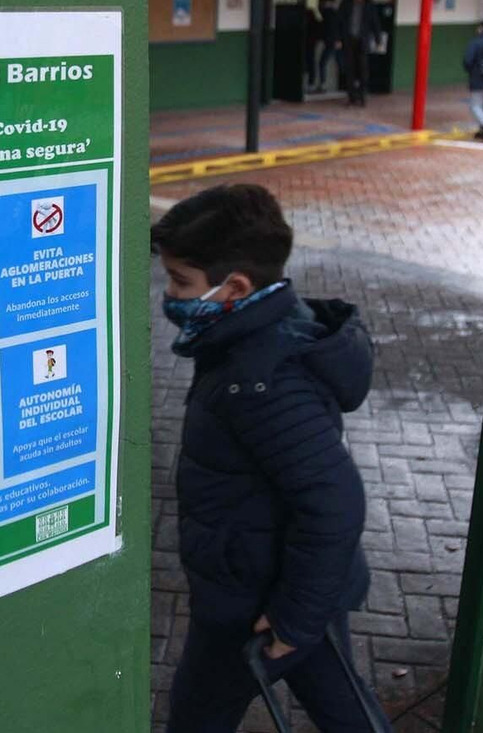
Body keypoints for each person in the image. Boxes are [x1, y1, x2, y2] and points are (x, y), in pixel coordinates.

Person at [151, 184, 386, 733]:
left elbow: (335, 501)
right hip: (279, 587)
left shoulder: (259, 380)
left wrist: (293, 618)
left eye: (181, 282)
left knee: (196, 716)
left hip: (253, 603)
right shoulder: (255, 335)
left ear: (235, 287)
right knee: (341, 705)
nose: (169, 293)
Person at [342, 0, 383, 106]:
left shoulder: (370, 4)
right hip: (349, 39)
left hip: (363, 40)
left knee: (363, 69)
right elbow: (340, 21)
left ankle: (362, 96)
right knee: (350, 69)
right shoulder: (347, 3)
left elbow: (375, 23)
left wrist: (378, 40)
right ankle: (351, 96)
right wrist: (338, 38)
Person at [311, 0, 341, 94]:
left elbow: (331, 28)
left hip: (331, 42)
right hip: (333, 42)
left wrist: (336, 40)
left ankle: (323, 85)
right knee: (339, 62)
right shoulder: (333, 13)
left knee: (323, 62)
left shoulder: (329, 13)